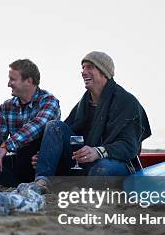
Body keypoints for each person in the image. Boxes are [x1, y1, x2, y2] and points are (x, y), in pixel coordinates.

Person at [33, 51, 151, 188]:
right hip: (85, 163)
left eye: (89, 67)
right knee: (55, 126)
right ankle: (41, 183)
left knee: (102, 168)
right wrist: (47, 157)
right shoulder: (84, 103)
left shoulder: (127, 102)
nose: (83, 72)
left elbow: (129, 147)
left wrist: (98, 151)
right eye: (83, 67)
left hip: (117, 163)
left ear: (104, 72)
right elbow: (66, 135)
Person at [0, 59, 60, 186]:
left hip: (37, 160)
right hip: (17, 160)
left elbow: (38, 125)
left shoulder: (49, 101)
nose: (8, 84)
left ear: (29, 81)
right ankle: (11, 181)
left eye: (12, 79)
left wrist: (6, 146)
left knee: (29, 147)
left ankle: (18, 180)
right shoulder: (6, 106)